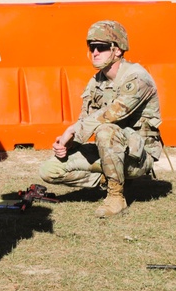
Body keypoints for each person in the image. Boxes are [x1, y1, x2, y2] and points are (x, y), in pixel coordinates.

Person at [41, 20, 163, 218]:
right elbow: (86, 119)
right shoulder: (96, 82)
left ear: (118, 50)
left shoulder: (137, 78)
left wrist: (72, 130)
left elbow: (113, 114)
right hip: (108, 151)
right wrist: (69, 144)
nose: (95, 52)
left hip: (138, 156)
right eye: (92, 47)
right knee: (49, 170)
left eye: (102, 47)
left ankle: (116, 197)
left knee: (106, 130)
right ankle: (110, 178)